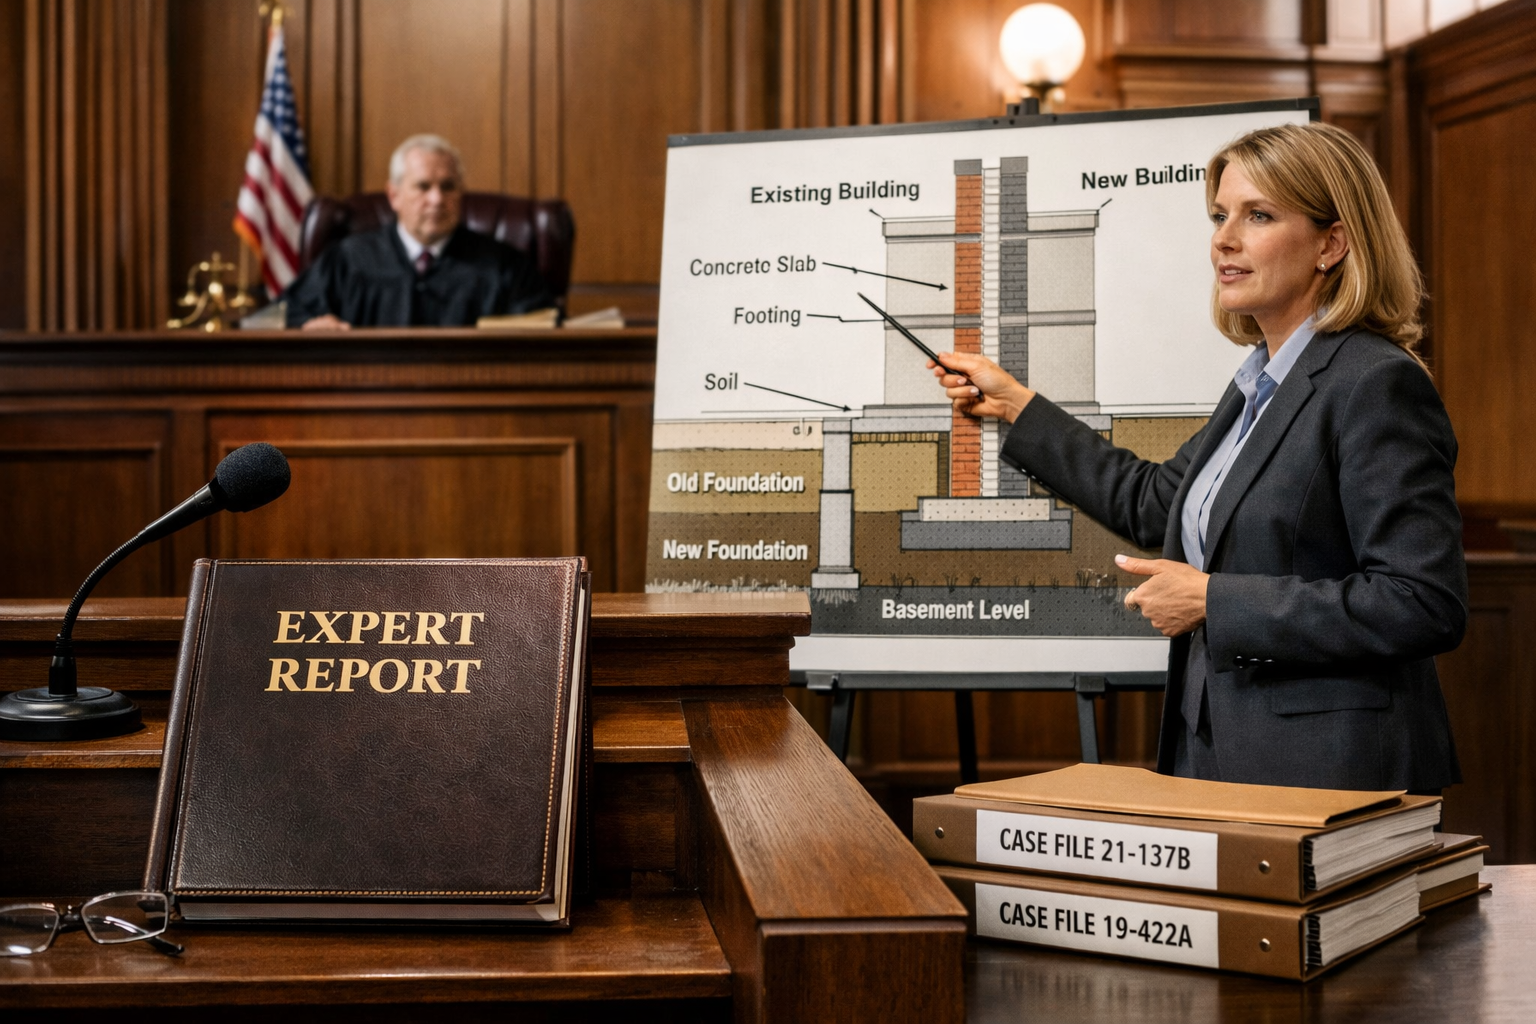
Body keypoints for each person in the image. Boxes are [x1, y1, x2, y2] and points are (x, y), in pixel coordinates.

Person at [930, 121, 1466, 792]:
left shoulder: (1375, 383)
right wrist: (1016, 406)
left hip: (1331, 778)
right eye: (1220, 215)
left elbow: (1420, 602)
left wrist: (1215, 600)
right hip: (1215, 756)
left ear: (1332, 243)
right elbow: (1154, 503)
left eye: (1259, 215)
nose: (1224, 239)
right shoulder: (1259, 382)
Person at [285, 134, 552, 329]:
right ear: (394, 195)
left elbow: (542, 326)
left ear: (461, 194)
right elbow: (292, 313)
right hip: (368, 397)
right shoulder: (348, 259)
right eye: (423, 187)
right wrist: (312, 327)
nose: (436, 199)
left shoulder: (503, 266)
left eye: (448, 187)